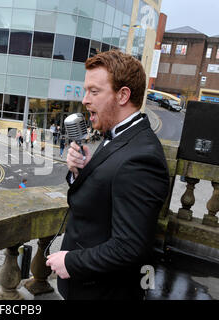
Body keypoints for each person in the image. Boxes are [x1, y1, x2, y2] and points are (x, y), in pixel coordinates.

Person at [45, 50, 170, 300]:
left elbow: (130, 247)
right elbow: (109, 189)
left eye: (94, 91)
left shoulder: (142, 159)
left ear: (123, 95)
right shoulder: (120, 134)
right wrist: (82, 171)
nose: (84, 100)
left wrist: (72, 261)